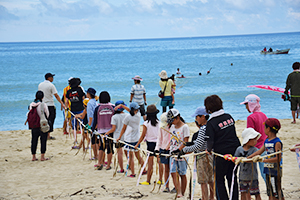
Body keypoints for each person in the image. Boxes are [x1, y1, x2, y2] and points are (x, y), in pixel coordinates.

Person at [204, 94, 240, 200]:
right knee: (232, 177)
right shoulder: (229, 117)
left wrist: (208, 150)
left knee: (219, 179)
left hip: (221, 154)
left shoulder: (211, 123)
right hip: (235, 151)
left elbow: (210, 140)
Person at [180, 107, 214, 200]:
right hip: (211, 155)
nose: (196, 120)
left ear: (203, 116)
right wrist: (189, 144)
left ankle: (205, 198)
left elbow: (198, 146)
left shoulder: (203, 128)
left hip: (203, 157)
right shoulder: (211, 126)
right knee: (211, 180)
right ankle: (212, 198)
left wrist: (184, 150)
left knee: (203, 182)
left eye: (196, 117)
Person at [249, 118, 284, 200]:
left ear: (268, 129)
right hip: (268, 170)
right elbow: (259, 152)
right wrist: (248, 158)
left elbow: (278, 158)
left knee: (276, 193)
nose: (263, 129)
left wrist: (263, 160)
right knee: (270, 191)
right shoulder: (267, 141)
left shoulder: (277, 142)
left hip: (275, 171)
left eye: (264, 127)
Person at [240, 94, 268, 183]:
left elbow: (250, 136)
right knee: (267, 173)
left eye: (246, 104)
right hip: (267, 146)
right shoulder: (264, 115)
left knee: (262, 173)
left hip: (258, 148)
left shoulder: (251, 117)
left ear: (251, 104)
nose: (246, 107)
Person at [134, 105, 163, 185]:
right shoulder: (159, 123)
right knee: (159, 162)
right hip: (159, 144)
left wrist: (137, 144)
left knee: (150, 164)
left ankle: (148, 181)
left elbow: (143, 135)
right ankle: (160, 179)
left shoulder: (146, 123)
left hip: (150, 144)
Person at [117, 102, 146, 178]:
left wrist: (119, 137)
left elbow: (123, 129)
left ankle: (133, 172)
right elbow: (129, 110)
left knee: (130, 157)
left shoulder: (128, 117)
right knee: (138, 155)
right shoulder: (138, 115)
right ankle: (144, 169)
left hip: (129, 139)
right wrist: (122, 106)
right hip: (137, 138)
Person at [167, 108, 189, 198]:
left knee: (182, 174)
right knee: (173, 172)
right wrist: (167, 148)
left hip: (182, 154)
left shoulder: (185, 127)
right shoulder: (172, 127)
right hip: (172, 154)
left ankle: (182, 192)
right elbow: (172, 140)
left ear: (178, 117)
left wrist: (179, 150)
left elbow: (185, 142)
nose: (172, 122)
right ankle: (178, 191)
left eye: (173, 120)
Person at [234, 128, 262, 200]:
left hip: (253, 176)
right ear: (248, 140)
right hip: (242, 176)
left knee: (256, 193)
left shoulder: (255, 150)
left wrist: (244, 160)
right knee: (243, 193)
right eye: (254, 139)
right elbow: (235, 160)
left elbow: (254, 159)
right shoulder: (239, 149)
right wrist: (234, 159)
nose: (256, 141)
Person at [104, 100, 130, 173]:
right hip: (127, 136)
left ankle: (121, 168)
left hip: (118, 137)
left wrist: (107, 133)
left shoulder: (114, 117)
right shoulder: (127, 115)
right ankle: (130, 166)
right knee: (127, 152)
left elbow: (113, 129)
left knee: (119, 153)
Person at [38, 73, 65, 139]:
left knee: (43, 119)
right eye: (52, 77)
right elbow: (56, 95)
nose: (53, 78)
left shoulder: (40, 85)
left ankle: (43, 134)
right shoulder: (51, 85)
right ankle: (48, 135)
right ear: (49, 78)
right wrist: (62, 103)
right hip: (49, 105)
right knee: (50, 119)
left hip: (42, 105)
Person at [92, 91, 114, 170]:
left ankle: (99, 163)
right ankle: (108, 165)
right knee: (110, 147)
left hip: (101, 130)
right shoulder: (112, 107)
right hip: (110, 130)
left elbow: (95, 120)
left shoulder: (97, 108)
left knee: (102, 146)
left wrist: (92, 129)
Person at [27, 91, 50, 161]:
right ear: (42, 97)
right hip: (42, 125)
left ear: (35, 96)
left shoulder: (31, 104)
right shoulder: (43, 104)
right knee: (43, 140)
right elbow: (47, 114)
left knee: (34, 140)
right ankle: (42, 157)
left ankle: (33, 156)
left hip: (34, 126)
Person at [65, 78, 85, 144]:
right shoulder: (80, 90)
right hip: (80, 109)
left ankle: (75, 140)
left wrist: (67, 108)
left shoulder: (69, 91)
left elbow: (66, 100)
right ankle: (82, 139)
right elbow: (83, 99)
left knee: (74, 126)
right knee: (82, 125)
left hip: (73, 109)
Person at [155, 112, 171, 192]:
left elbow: (173, 140)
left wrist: (168, 147)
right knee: (166, 168)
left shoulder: (173, 127)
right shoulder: (161, 127)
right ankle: (167, 186)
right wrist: (157, 148)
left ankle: (176, 186)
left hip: (171, 149)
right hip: (163, 148)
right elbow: (159, 138)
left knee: (174, 169)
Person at [85, 87, 99, 160]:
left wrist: (89, 125)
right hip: (97, 122)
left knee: (93, 140)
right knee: (97, 139)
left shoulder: (90, 103)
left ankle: (96, 155)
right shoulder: (95, 102)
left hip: (93, 123)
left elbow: (90, 115)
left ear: (88, 94)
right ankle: (97, 155)